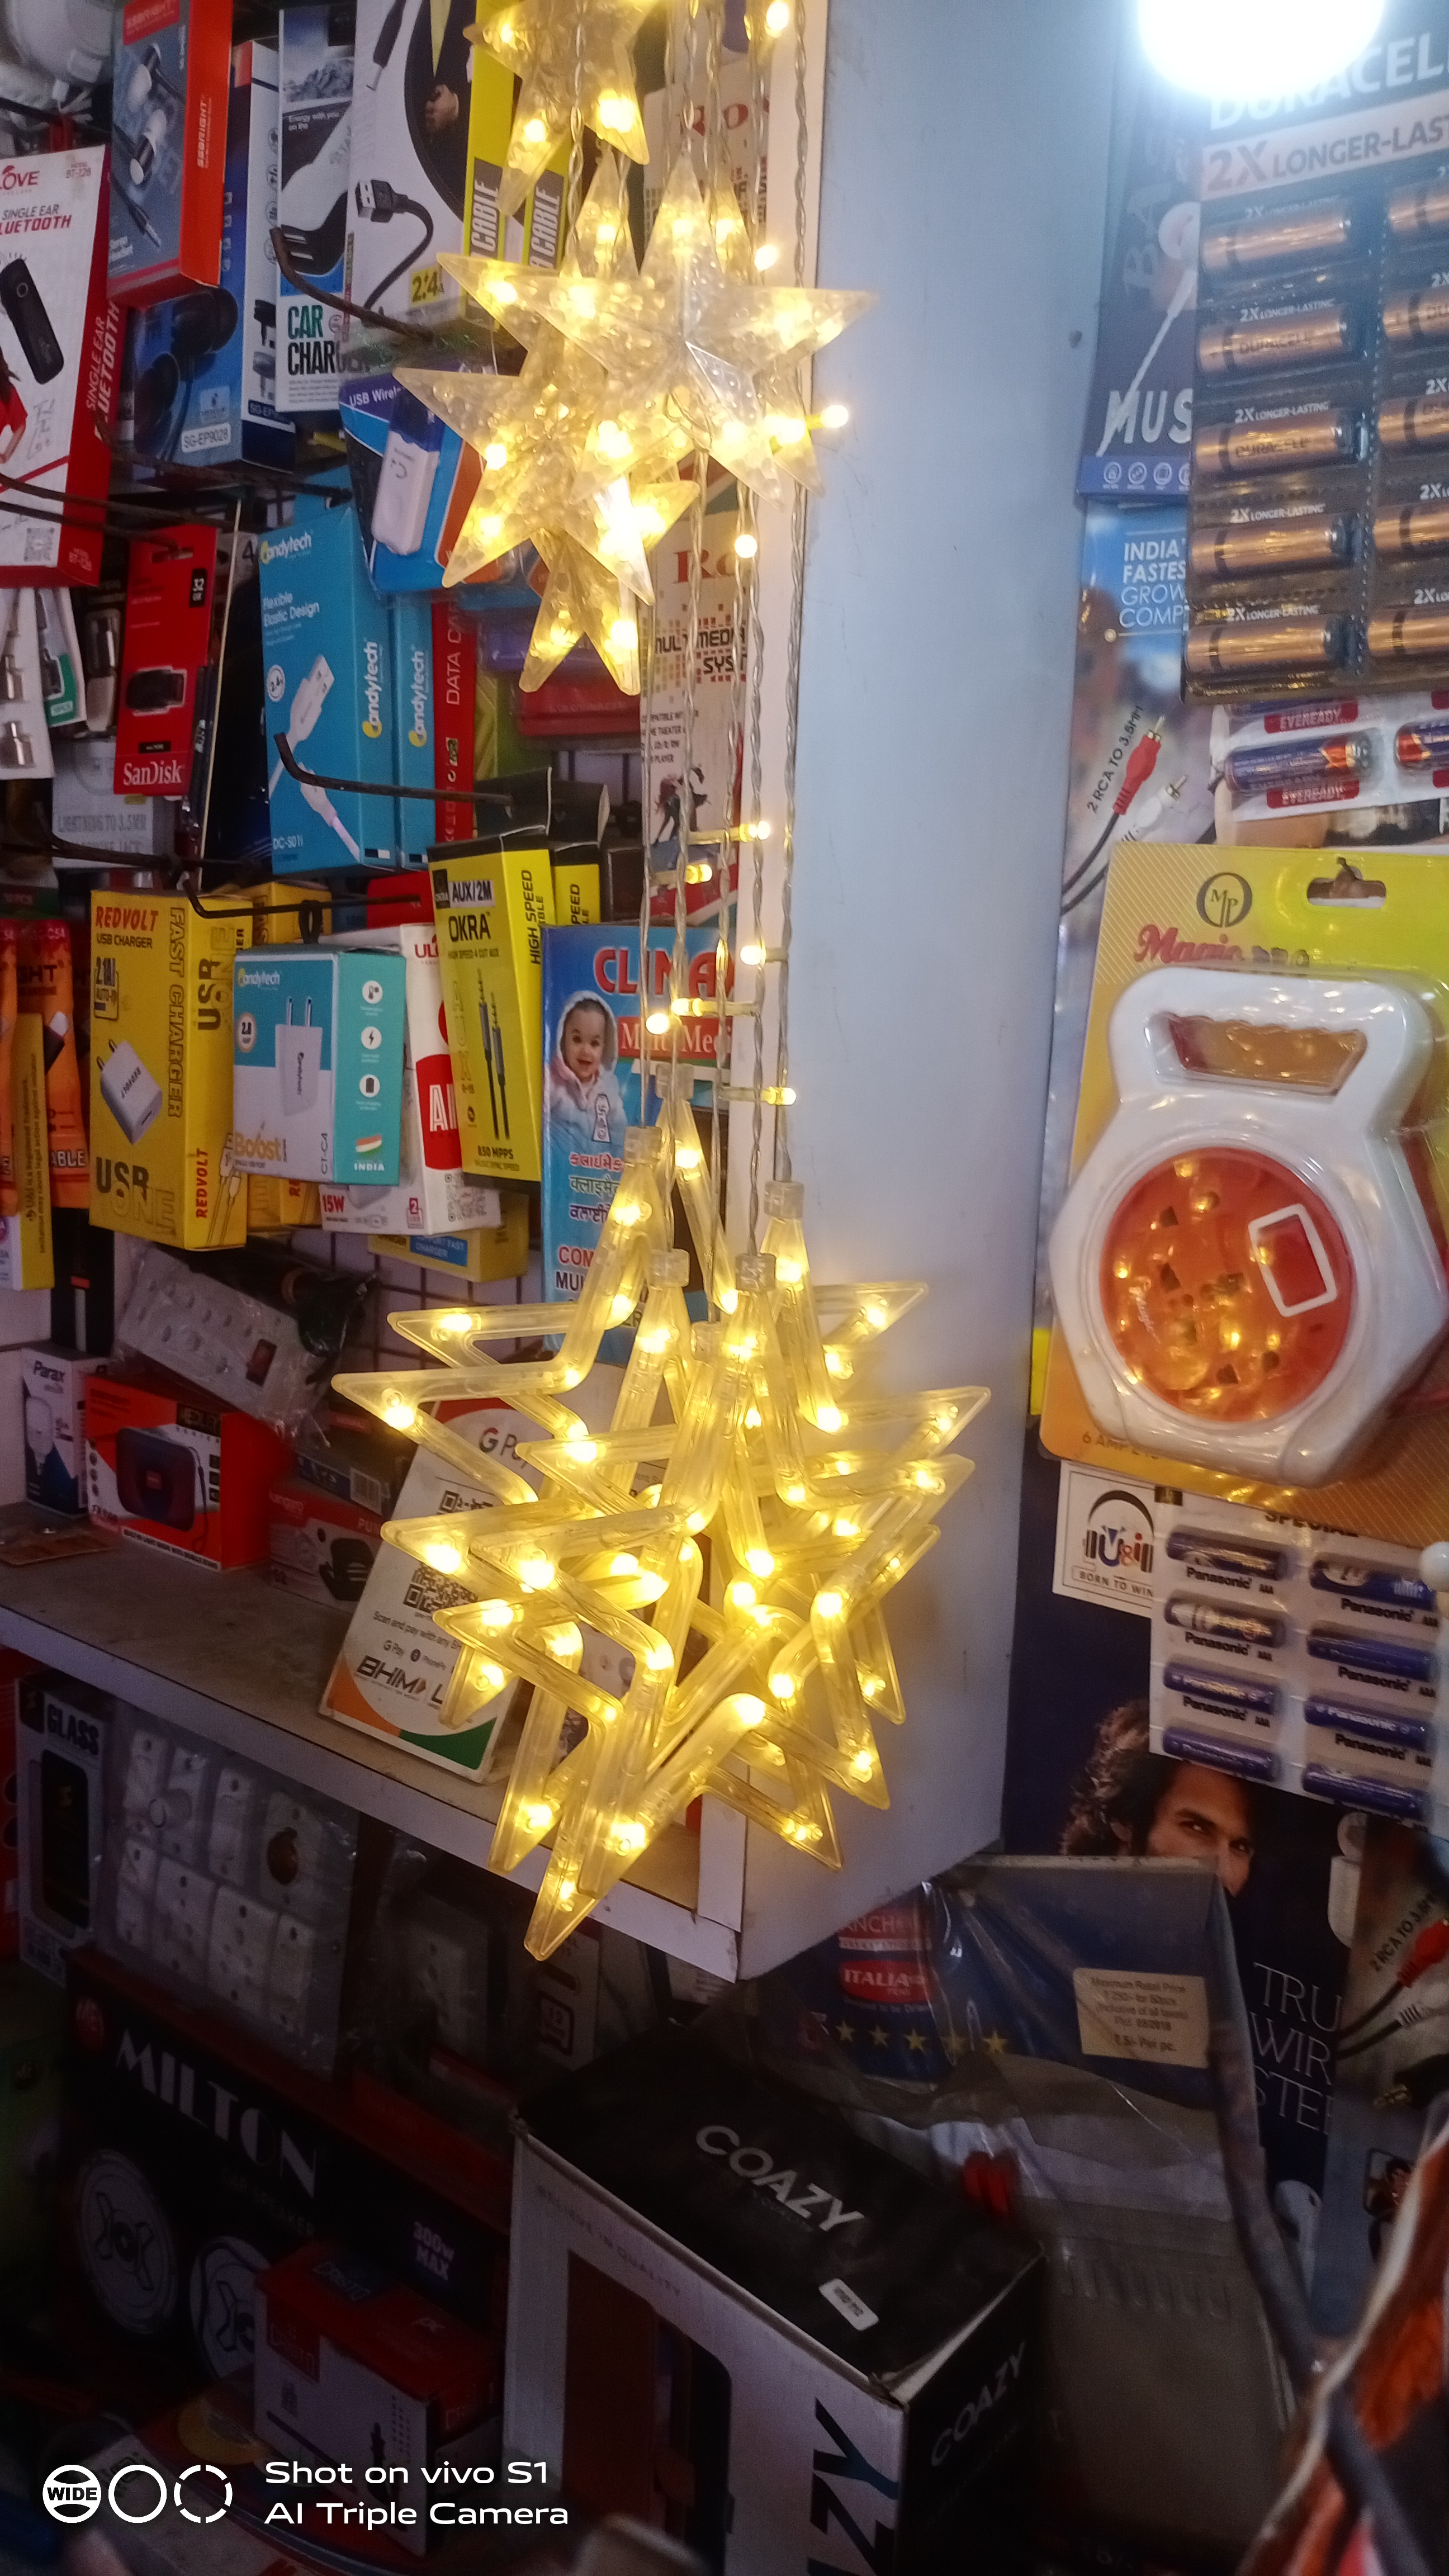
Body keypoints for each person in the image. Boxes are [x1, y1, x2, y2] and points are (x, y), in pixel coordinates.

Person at [1060, 1697, 1258, 1897]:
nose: (1224, 1874)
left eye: (1240, 1847)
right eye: (1196, 1828)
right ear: (1125, 1818)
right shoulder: (1049, 1914)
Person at [547, 993, 627, 1156]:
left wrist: (621, 1159)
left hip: (598, 1164)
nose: (586, 1050)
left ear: (605, 1048)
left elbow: (619, 1130)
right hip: (559, 1162)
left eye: (595, 1043)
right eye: (577, 1040)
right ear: (563, 1041)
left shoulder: (608, 1087)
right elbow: (534, 1120)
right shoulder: (552, 1082)